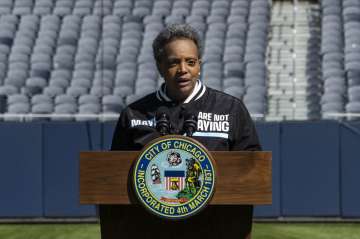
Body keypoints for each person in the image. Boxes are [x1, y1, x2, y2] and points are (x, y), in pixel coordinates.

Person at [103, 24, 261, 239]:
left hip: (216, 230)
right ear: (160, 66)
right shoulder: (134, 114)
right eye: (173, 62)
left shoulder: (230, 109)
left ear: (199, 65)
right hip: (152, 231)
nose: (183, 70)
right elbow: (113, 179)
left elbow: (252, 172)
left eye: (190, 62)